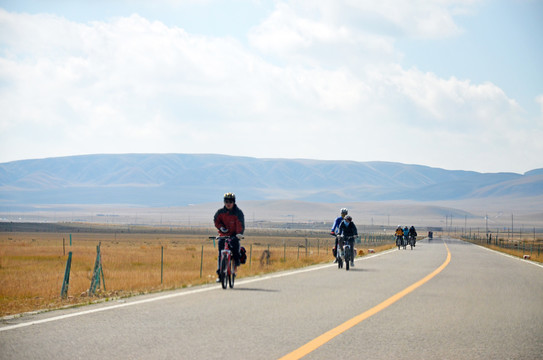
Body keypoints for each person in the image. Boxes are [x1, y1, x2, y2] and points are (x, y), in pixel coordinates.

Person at [213, 192, 245, 282]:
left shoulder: (238, 213)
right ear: (224, 202)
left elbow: (240, 224)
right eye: (226, 201)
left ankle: (235, 266)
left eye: (230, 202)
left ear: (233, 202)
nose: (228, 203)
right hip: (223, 236)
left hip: (234, 236)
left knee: (235, 250)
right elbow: (216, 221)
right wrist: (221, 228)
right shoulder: (220, 212)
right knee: (221, 254)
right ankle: (220, 274)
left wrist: (239, 234)